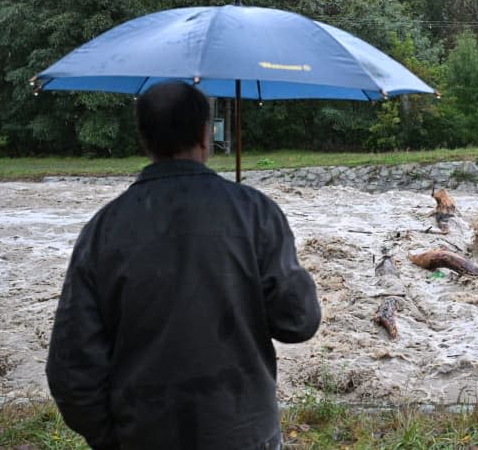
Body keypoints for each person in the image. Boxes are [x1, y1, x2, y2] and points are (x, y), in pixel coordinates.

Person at [46, 81, 321, 450]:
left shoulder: (103, 228)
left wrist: (108, 436)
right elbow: (299, 322)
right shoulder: (255, 213)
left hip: (143, 433)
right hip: (244, 432)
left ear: (144, 139)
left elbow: (71, 365)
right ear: (206, 135)